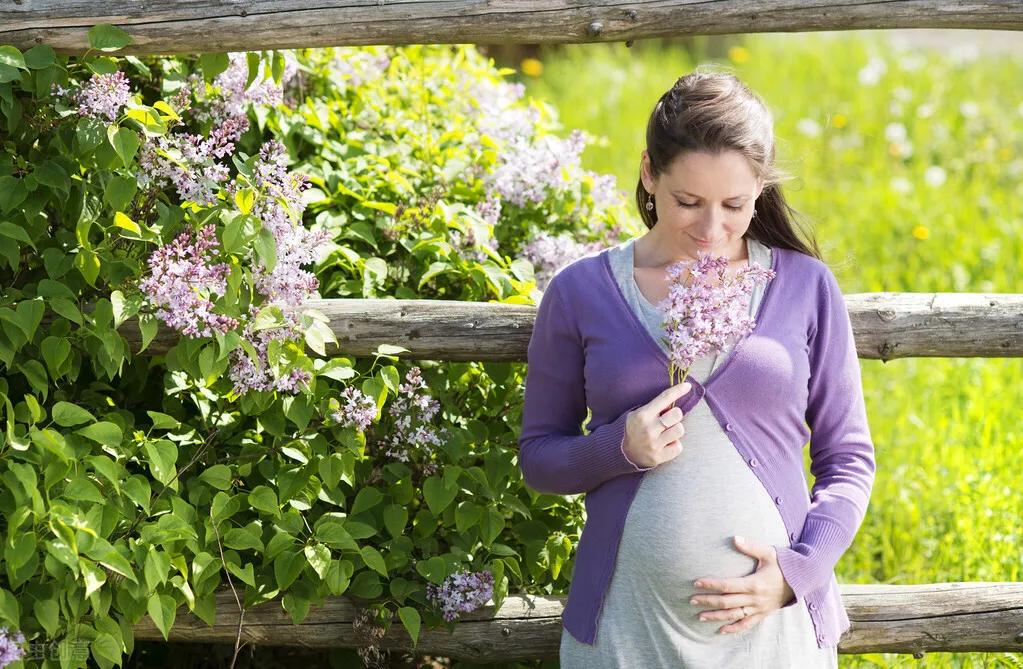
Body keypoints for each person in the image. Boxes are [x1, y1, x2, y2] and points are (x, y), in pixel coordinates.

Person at [517, 68, 876, 667]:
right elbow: (539, 459)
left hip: (774, 638)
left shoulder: (805, 286)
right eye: (688, 202)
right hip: (626, 632)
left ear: (760, 189)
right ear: (648, 173)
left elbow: (849, 461)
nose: (711, 230)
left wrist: (800, 572)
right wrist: (616, 449)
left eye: (734, 204)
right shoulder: (580, 292)